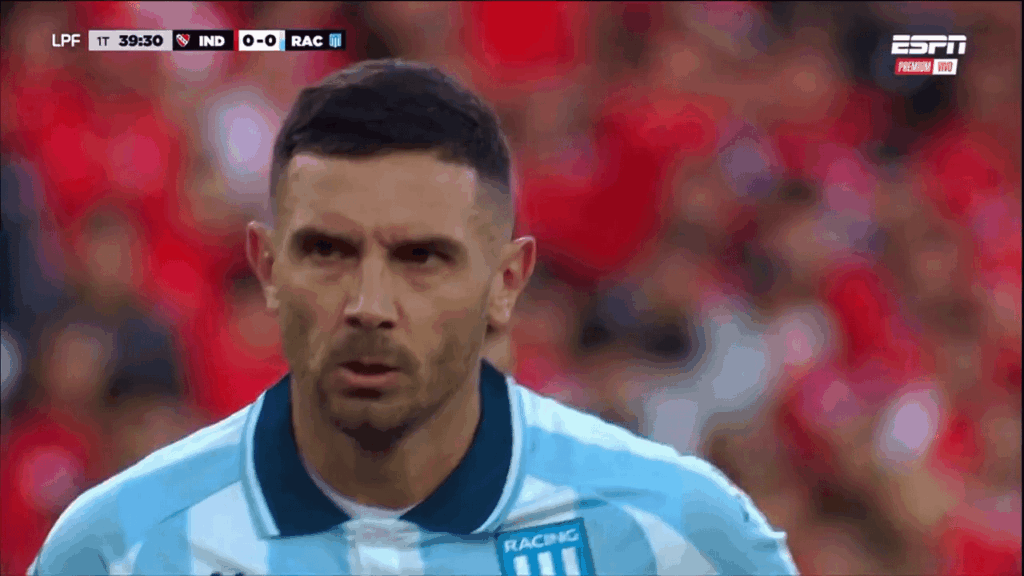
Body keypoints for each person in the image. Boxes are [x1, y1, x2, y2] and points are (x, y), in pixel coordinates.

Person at [29, 59, 798, 576]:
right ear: (268, 270)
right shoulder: (120, 546)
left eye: (422, 258)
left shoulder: (680, 533)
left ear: (506, 283)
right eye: (328, 251)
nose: (369, 306)